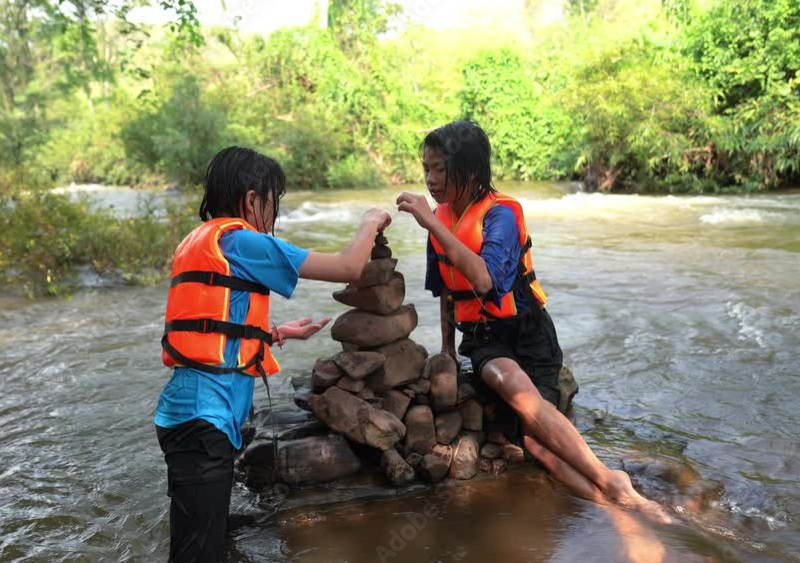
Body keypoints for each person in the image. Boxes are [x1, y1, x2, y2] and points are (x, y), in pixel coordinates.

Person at [396, 120, 669, 522]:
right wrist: (446, 352)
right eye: (427, 169)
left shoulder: (502, 213)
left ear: (468, 170)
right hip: (486, 339)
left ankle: (613, 486)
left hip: (528, 334)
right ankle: (619, 508)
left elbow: (485, 279)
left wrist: (431, 222)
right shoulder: (440, 218)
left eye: (440, 169)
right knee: (525, 418)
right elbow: (448, 295)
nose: (431, 180)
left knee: (538, 438)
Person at [155, 146, 391, 562]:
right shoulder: (244, 240)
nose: (273, 214)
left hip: (192, 417)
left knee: (204, 541)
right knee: (198, 554)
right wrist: (370, 221)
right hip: (203, 422)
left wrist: (278, 333)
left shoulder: (204, 241)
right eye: (272, 201)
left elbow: (215, 326)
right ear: (251, 200)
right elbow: (348, 267)